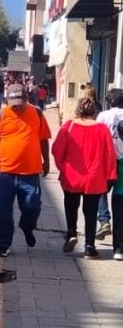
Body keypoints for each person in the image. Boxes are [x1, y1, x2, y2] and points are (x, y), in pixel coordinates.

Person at [0, 83, 52, 257]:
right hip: (5, 173)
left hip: (30, 172)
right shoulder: (1, 115)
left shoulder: (37, 114)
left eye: (21, 102)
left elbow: (43, 139)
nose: (17, 106)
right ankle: (3, 244)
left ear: (27, 98)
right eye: (14, 103)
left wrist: (47, 160)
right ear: (7, 100)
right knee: (2, 210)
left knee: (32, 206)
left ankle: (27, 226)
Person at [52, 97, 116, 259]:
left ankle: (72, 232)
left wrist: (63, 168)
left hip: (72, 176)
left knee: (71, 206)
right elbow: (109, 155)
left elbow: (57, 150)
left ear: (78, 110)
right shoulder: (102, 129)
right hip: (94, 177)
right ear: (94, 111)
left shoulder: (69, 126)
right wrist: (110, 176)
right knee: (90, 212)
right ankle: (89, 246)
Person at [96, 88, 123, 245]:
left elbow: (97, 136)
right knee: (119, 197)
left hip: (107, 160)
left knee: (100, 190)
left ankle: (104, 219)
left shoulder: (103, 116)